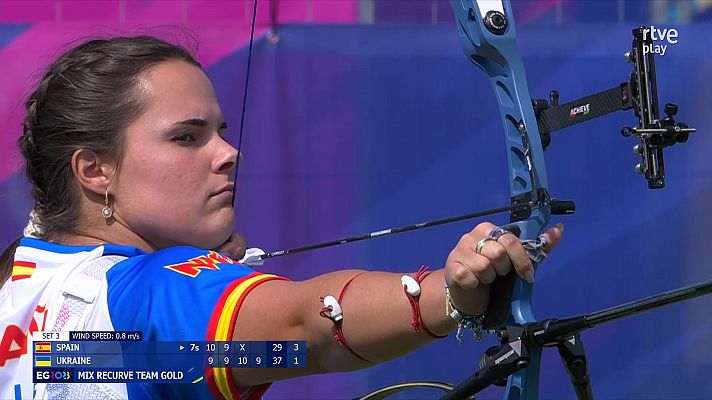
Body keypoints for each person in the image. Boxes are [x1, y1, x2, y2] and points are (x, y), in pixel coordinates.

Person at [0, 35, 564, 400]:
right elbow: (304, 329)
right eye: (186, 137)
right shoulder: (146, 298)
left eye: (219, 131)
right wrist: (451, 294)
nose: (227, 153)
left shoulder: (28, 286)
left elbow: (113, 358)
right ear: (94, 171)